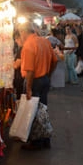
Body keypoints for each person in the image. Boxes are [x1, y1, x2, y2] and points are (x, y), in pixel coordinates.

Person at [18, 22, 57, 150]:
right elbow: (55, 60)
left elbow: (30, 70)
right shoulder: (44, 41)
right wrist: (49, 75)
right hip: (44, 79)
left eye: (20, 33)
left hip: (34, 81)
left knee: (33, 111)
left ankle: (36, 141)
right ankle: (46, 138)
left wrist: (28, 88)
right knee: (43, 110)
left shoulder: (28, 45)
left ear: (24, 32)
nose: (20, 36)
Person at [12, 30, 24, 96]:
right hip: (21, 79)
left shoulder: (22, 49)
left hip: (21, 79)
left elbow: (16, 65)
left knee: (20, 99)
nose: (16, 41)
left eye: (16, 39)